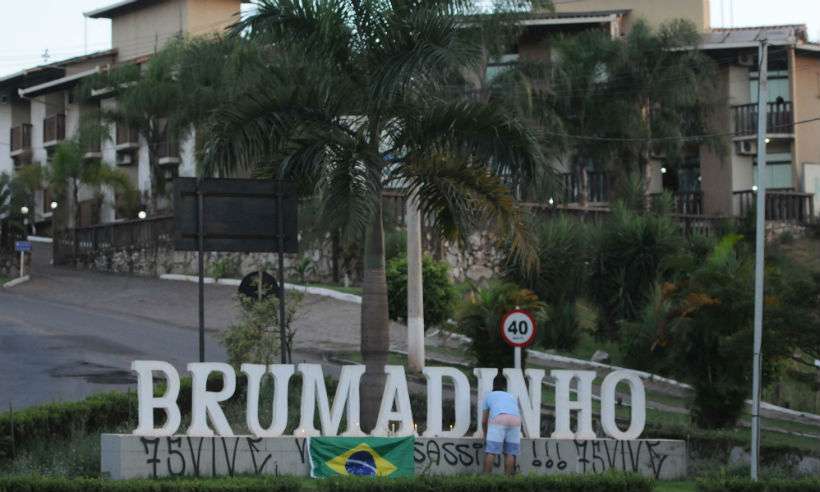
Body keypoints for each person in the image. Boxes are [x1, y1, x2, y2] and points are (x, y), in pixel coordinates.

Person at [481, 376, 521, 475]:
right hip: (515, 420)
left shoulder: (488, 396)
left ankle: (486, 479)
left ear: (493, 385)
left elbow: (484, 421)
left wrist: (486, 435)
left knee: (491, 451)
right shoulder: (511, 396)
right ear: (505, 387)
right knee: (510, 453)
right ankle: (507, 481)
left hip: (499, 419)